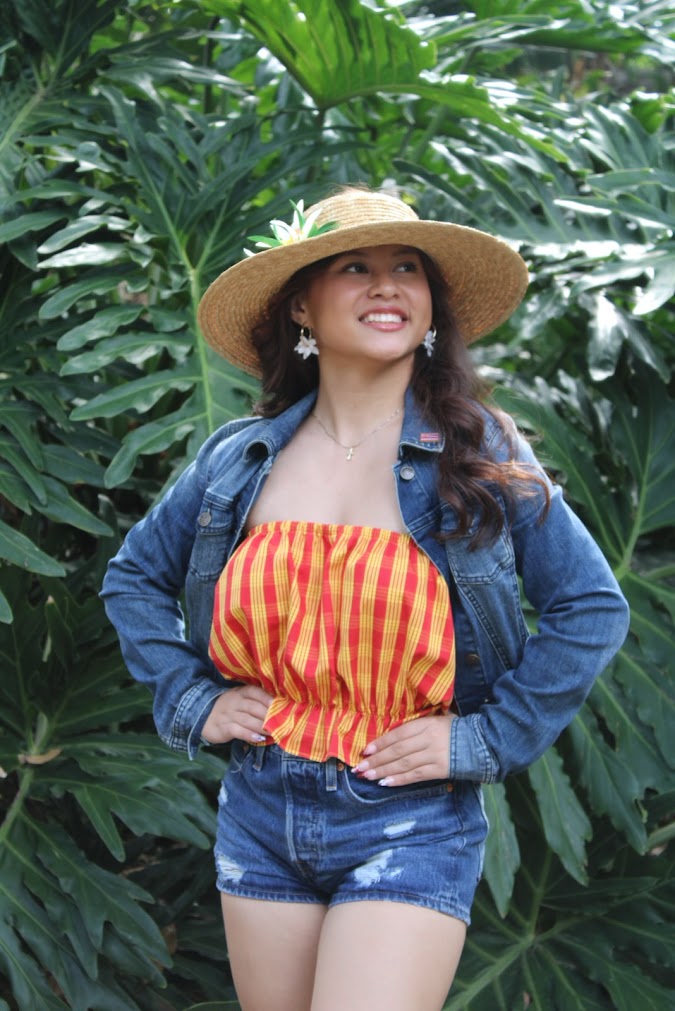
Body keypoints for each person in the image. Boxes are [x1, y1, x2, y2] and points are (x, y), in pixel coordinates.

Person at [101, 186, 630, 1011]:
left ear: (430, 308)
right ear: (301, 306)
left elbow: (590, 605)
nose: (388, 286)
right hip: (261, 807)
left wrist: (487, 739)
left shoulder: (474, 449)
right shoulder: (238, 459)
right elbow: (133, 578)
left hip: (410, 816)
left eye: (406, 269)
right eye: (356, 266)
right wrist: (190, 697)